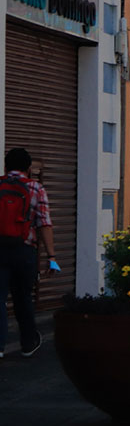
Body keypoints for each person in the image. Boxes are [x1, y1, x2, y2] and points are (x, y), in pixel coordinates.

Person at [0, 148, 57, 358]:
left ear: (6, 167)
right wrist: (51, 256)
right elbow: (44, 224)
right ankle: (28, 343)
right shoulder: (36, 188)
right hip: (24, 251)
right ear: (28, 168)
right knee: (23, 298)